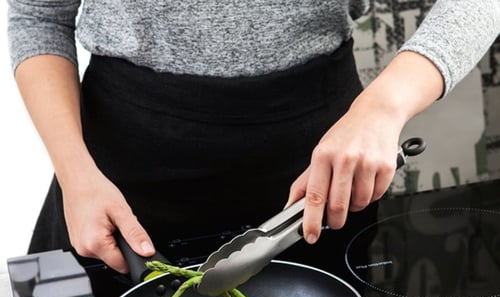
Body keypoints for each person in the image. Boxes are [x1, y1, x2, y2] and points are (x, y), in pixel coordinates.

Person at [6, 1, 500, 275]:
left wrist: (383, 107)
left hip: (316, 172)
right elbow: (38, 15)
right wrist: (75, 174)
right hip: (118, 174)